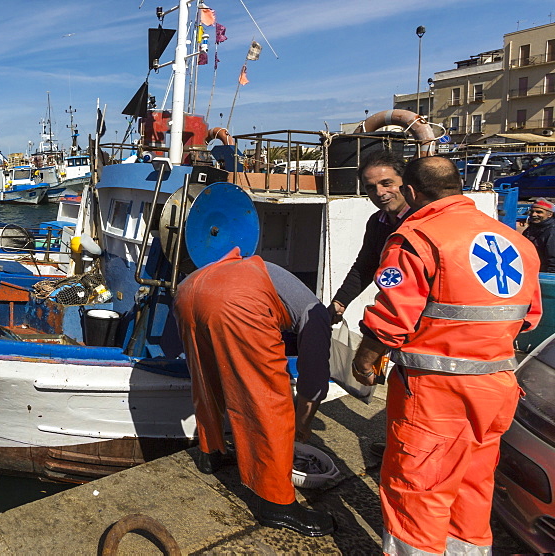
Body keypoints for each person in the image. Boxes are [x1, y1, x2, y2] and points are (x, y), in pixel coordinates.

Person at [352, 156, 541, 555]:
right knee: (472, 488)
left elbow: (392, 317)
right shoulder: (517, 243)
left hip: (437, 396)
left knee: (417, 493)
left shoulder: (418, 238)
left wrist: (364, 358)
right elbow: (529, 318)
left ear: (411, 191)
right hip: (497, 390)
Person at [173, 247, 335, 538]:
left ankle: (210, 454)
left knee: (206, 378)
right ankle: (278, 505)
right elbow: (314, 377)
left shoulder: (277, 279)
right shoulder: (318, 315)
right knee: (270, 398)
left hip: (188, 290)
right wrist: (303, 423)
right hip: (236, 298)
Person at [328, 150, 409, 323]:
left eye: (387, 183)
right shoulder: (377, 222)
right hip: (395, 315)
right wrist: (340, 302)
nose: (380, 193)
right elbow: (365, 266)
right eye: (371, 187)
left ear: (405, 182)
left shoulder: (424, 220)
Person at [522, 197, 555, 272]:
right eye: (532, 211)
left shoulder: (552, 231)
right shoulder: (531, 229)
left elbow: (553, 260)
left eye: (539, 212)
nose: (533, 214)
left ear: (549, 214)